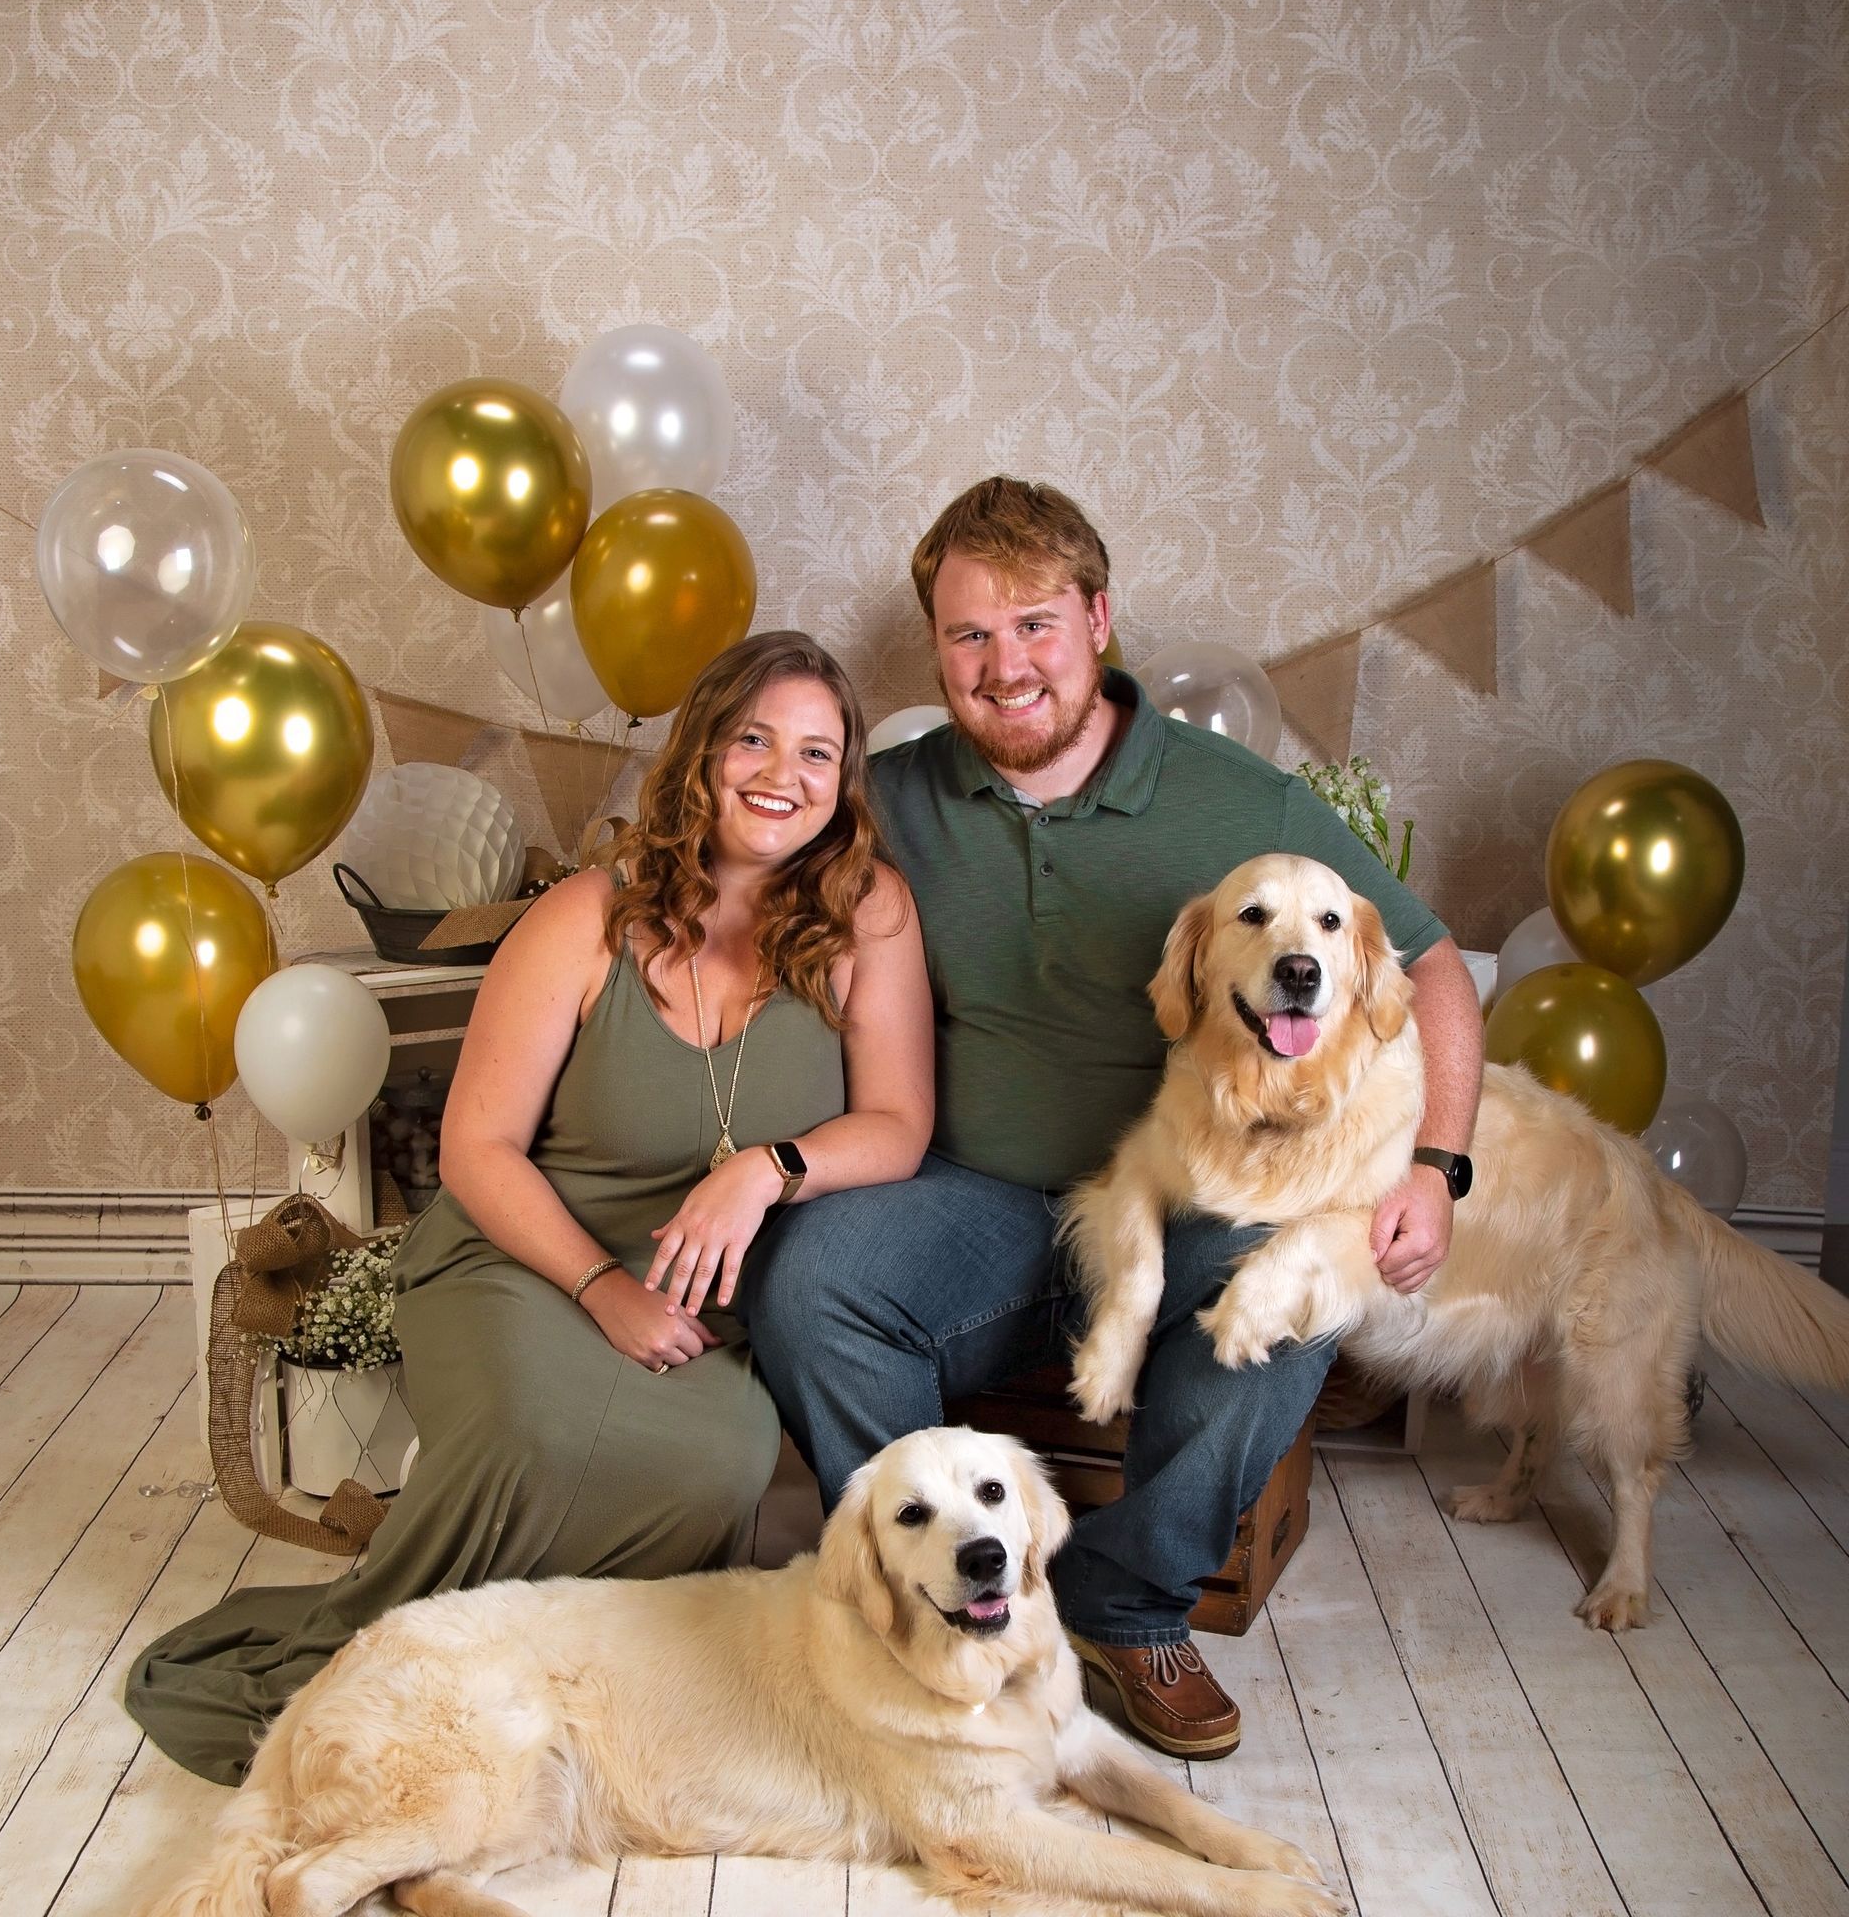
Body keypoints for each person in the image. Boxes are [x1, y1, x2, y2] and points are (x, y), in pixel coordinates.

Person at [742, 479, 1484, 1759]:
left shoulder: (1238, 801)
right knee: (814, 1285)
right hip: (972, 1200)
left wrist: (1436, 1167)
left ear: (1098, 618)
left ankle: (1126, 1603)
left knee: (1292, 1293)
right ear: (937, 654)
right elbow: (740, 854)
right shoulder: (893, 795)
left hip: (1192, 1200)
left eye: (1035, 624)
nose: (1004, 666)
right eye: (969, 636)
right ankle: (922, 1613)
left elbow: (1433, 970)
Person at [129, 630, 934, 1785]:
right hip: (520, 1259)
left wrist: (766, 1169)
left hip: (697, 1291)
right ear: (703, 753)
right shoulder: (585, 919)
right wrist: (601, 1288)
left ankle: (535, 1667)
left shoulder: (870, 914)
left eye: (816, 751)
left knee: (722, 1457)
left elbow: (898, 1124)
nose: (781, 773)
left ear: (843, 780)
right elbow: (478, 1148)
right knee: (533, 1431)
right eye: (753, 738)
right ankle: (394, 1668)